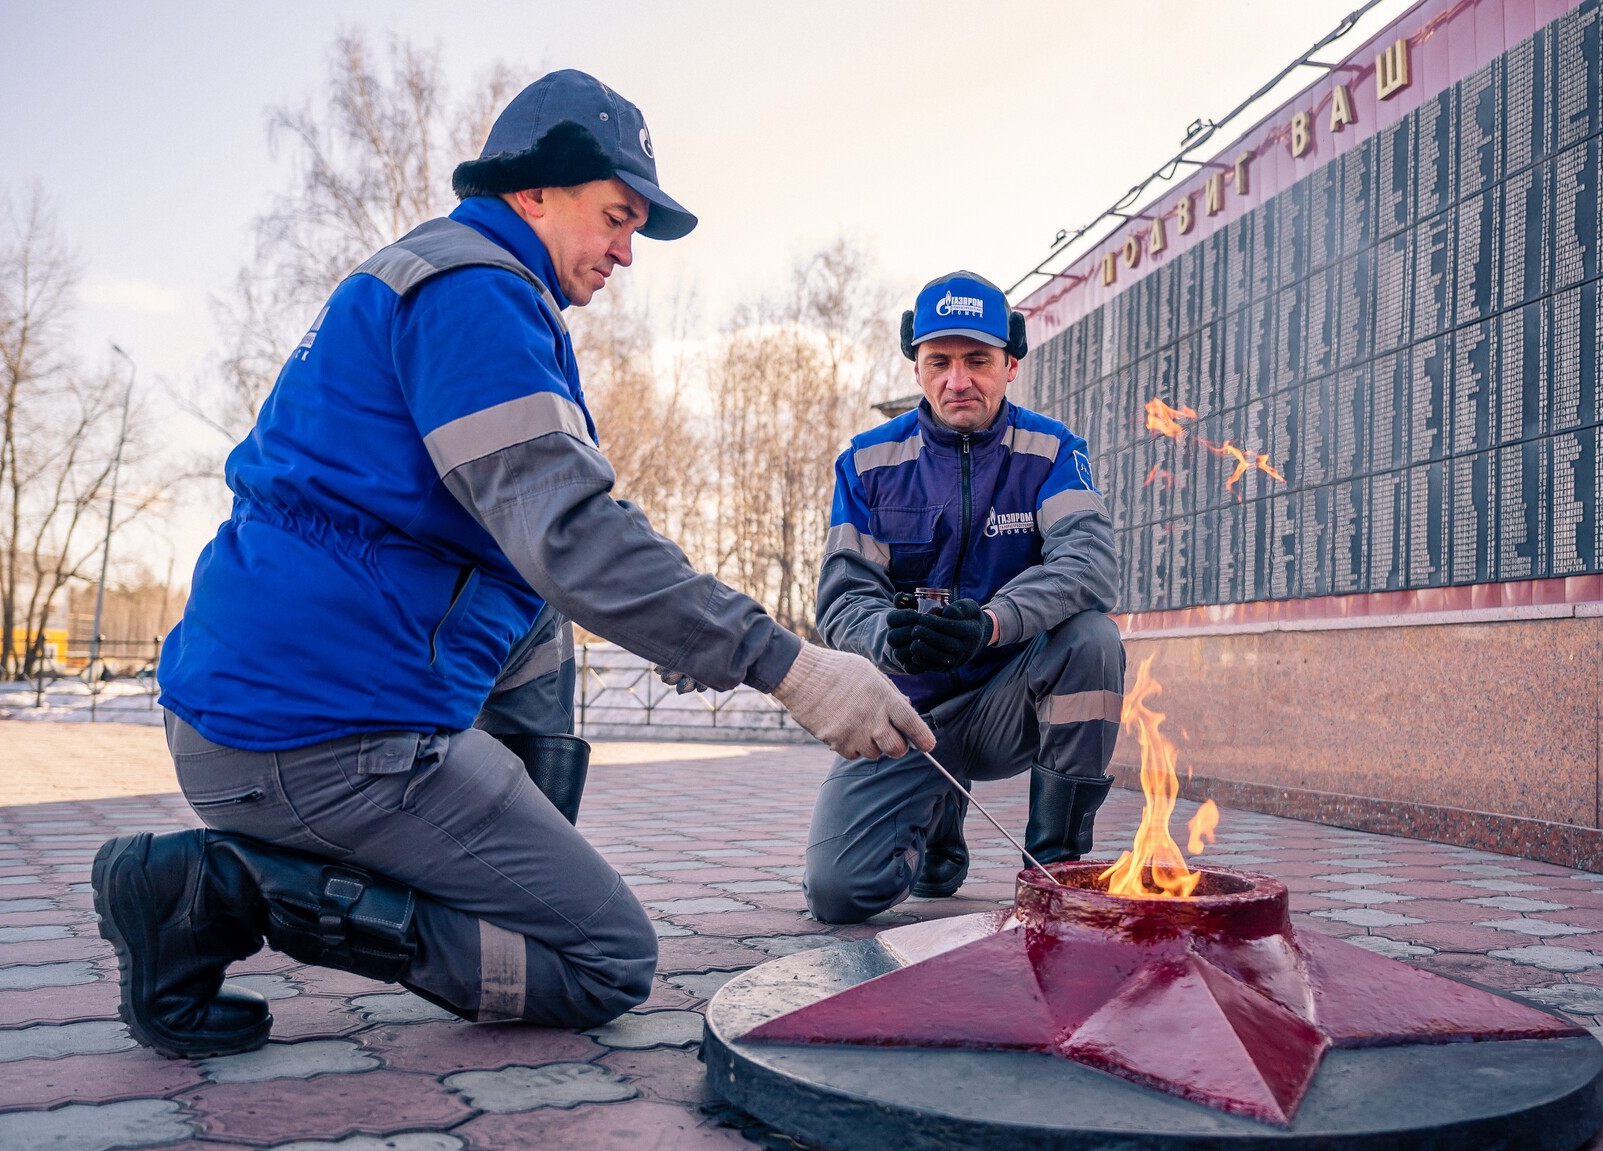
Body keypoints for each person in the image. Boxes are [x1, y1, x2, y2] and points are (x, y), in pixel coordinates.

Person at [91, 70, 931, 1059]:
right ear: (534, 189)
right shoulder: (476, 296)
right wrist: (788, 664)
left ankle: (493, 863)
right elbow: (572, 537)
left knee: (537, 609)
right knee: (602, 960)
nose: (626, 251)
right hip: (314, 735)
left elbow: (557, 546)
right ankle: (223, 892)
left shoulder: (446, 278)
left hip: (273, 706)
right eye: (615, 218)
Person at [802, 271, 1123, 923]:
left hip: (1010, 702)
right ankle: (937, 826)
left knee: (1093, 638)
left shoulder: (1054, 450)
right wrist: (886, 637)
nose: (959, 379)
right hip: (907, 715)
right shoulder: (865, 463)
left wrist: (992, 624)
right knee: (839, 894)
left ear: (1010, 362)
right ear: (916, 367)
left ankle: (1055, 870)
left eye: (977, 360)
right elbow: (840, 602)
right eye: (939, 361)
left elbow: (1090, 564)